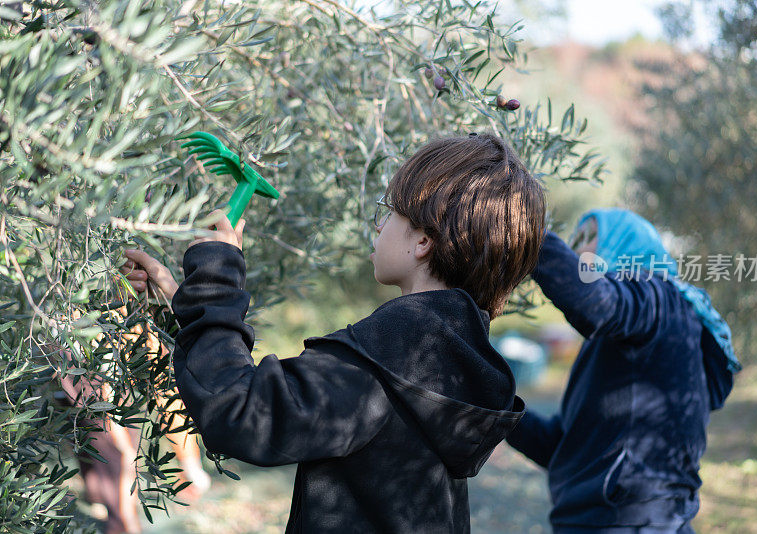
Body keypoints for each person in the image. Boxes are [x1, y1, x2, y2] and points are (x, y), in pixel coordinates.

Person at [121, 133, 547, 533]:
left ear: (423, 241)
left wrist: (215, 275)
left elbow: (242, 414)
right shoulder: (452, 361)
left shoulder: (385, 363)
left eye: (390, 211)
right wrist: (188, 305)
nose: (379, 227)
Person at [506, 208, 742, 533]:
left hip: (635, 523)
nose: (576, 249)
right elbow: (562, 446)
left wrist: (530, 233)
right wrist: (497, 401)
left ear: (627, 243)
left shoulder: (658, 299)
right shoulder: (615, 337)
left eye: (590, 238)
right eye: (574, 240)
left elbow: (595, 303)